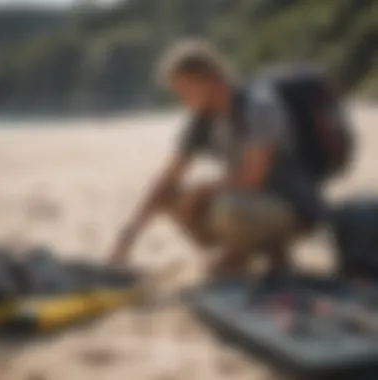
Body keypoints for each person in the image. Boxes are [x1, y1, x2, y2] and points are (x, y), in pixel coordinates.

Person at [109, 39, 325, 278]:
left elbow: (252, 178)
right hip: (252, 203)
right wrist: (128, 237)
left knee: (228, 207)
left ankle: (266, 252)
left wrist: (200, 190)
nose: (181, 99)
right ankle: (240, 252)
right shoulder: (203, 119)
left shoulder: (259, 107)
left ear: (207, 80)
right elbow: (166, 179)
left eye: (183, 90)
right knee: (168, 196)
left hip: (291, 206)